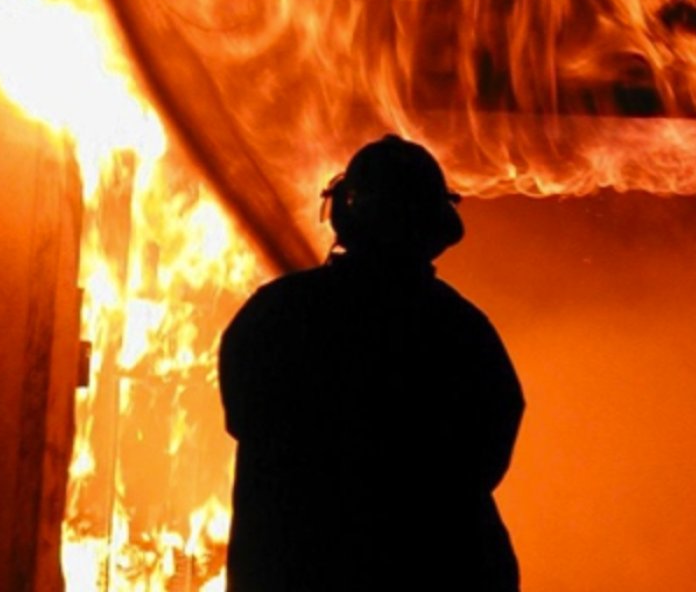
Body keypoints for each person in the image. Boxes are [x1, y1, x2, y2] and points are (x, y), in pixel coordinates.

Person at [219, 135, 524, 592]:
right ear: (435, 230)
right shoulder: (461, 331)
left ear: (343, 213)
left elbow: (246, 419)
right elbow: (488, 449)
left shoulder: (275, 313)